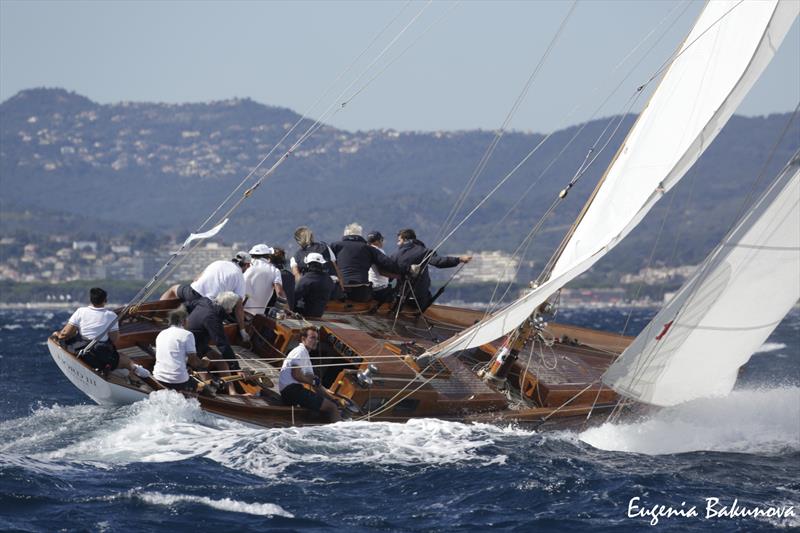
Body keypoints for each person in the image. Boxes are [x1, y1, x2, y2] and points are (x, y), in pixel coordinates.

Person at [53, 287, 151, 378]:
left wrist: (57, 334)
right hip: (102, 355)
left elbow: (65, 333)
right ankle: (136, 369)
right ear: (105, 300)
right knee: (124, 360)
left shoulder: (80, 311)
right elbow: (114, 339)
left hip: (80, 353)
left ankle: (105, 367)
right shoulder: (111, 316)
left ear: (90, 300)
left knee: (68, 340)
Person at [161, 252, 251, 342]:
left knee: (173, 289)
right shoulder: (240, 277)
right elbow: (239, 307)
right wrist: (242, 331)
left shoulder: (218, 262)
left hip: (193, 293)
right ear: (247, 265)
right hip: (207, 306)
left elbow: (196, 278)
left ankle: (158, 316)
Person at [391, 228, 471, 310]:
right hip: (419, 298)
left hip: (400, 297)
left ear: (405, 240)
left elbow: (389, 275)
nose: (398, 243)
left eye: (399, 240)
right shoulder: (424, 252)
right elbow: (439, 262)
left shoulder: (395, 255)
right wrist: (459, 259)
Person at [278, 327, 340, 422]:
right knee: (332, 408)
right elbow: (297, 375)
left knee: (330, 404)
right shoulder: (300, 351)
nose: (316, 341)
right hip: (291, 390)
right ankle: (338, 433)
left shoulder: (305, 355)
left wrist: (331, 398)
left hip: (293, 390)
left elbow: (314, 382)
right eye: (312, 338)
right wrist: (312, 381)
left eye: (317, 338)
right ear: (303, 339)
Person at [153, 305, 220, 391]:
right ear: (184, 321)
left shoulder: (161, 333)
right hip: (178, 381)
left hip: (158, 377)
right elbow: (193, 362)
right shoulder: (187, 334)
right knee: (210, 391)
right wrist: (204, 363)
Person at [330, 223, 400, 302]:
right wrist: (405, 270)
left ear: (345, 234)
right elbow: (387, 263)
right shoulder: (368, 248)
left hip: (340, 290)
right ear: (360, 234)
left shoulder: (334, 246)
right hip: (361, 292)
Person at [185, 291, 239, 375]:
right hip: (191, 347)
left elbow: (188, 305)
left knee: (221, 362)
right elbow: (222, 344)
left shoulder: (204, 301)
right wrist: (236, 367)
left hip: (196, 341)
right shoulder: (213, 319)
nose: (232, 311)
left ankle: (230, 387)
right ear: (228, 308)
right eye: (232, 307)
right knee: (203, 370)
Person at [289, 226, 344, 290]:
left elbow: (297, 276)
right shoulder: (325, 247)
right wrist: (342, 288)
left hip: (311, 289)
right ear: (311, 236)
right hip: (331, 286)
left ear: (298, 241)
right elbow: (336, 268)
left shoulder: (295, 257)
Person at [244, 244, 286, 316]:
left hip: (239, 309)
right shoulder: (275, 270)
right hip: (258, 316)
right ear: (268, 255)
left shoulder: (246, 265)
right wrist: (282, 309)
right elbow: (280, 293)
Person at [294, 253, 335, 318]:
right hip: (319, 313)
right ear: (321, 264)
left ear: (308, 265)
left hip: (304, 313)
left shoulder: (306, 279)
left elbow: (295, 296)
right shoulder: (328, 278)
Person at [366, 231, 395, 304]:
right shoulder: (378, 251)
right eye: (382, 240)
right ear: (377, 241)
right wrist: (398, 276)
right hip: (380, 289)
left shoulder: (366, 250)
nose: (383, 242)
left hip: (369, 287)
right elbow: (382, 271)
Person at [267, 247, 296, 311]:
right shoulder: (290, 275)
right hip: (289, 311)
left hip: (275, 312)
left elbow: (279, 293)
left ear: (269, 259)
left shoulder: (272, 274)